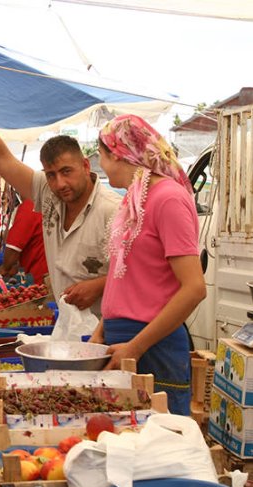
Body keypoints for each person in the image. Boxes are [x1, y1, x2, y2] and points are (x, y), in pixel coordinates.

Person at [0, 85, 121, 314]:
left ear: (85, 165)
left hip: (104, 330)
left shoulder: (113, 210)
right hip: (65, 324)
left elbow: (144, 274)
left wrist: (98, 285)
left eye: (67, 172)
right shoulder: (48, 192)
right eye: (51, 175)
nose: (60, 184)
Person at [88, 115, 205, 414]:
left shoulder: (168, 199)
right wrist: (102, 328)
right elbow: (128, 279)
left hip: (154, 346)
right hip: (123, 342)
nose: (102, 165)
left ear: (118, 152)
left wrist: (136, 347)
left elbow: (194, 289)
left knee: (160, 445)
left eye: (101, 156)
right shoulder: (133, 198)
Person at [0, 199, 48, 284]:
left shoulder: (30, 205)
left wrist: (5, 268)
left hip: (39, 276)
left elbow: (14, 247)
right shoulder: (47, 203)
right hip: (51, 273)